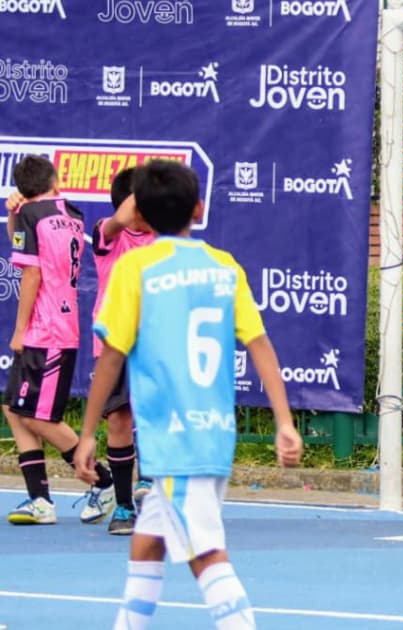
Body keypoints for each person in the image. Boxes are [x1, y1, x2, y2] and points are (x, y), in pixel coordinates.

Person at [73, 160, 303, 629]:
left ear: (139, 216)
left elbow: (112, 357)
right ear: (199, 209)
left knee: (207, 556)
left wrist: (87, 432)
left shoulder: (135, 268)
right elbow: (259, 344)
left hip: (176, 441)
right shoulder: (223, 266)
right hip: (212, 436)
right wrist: (284, 420)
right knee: (146, 544)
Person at [4, 155, 114, 526]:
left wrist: (19, 330)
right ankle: (39, 500)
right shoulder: (72, 212)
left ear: (23, 189)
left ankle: (104, 481)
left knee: (39, 416)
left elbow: (31, 273)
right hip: (50, 328)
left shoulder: (31, 216)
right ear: (54, 180)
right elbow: (29, 252)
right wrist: (15, 218)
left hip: (48, 329)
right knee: (13, 409)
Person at [92, 167, 156, 535]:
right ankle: (122, 506)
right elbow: (119, 219)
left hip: (154, 343)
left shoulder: (163, 240)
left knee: (152, 415)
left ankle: (150, 480)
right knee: (119, 420)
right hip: (114, 343)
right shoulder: (108, 235)